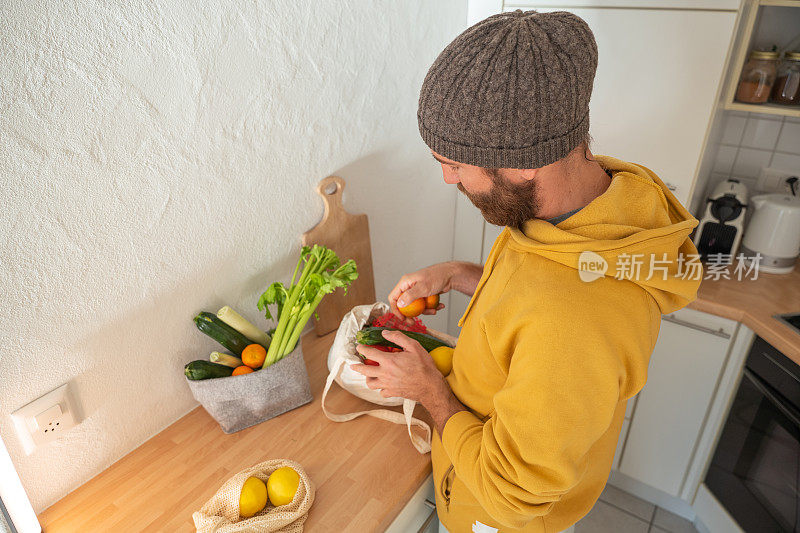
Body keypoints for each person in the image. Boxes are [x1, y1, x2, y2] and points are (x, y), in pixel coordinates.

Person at [351, 10, 702, 533]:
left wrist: (431, 392)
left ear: (522, 164)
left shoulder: (578, 320)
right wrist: (458, 274)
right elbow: (535, 291)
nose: (449, 179)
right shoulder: (583, 208)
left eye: (454, 163)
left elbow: (515, 496)